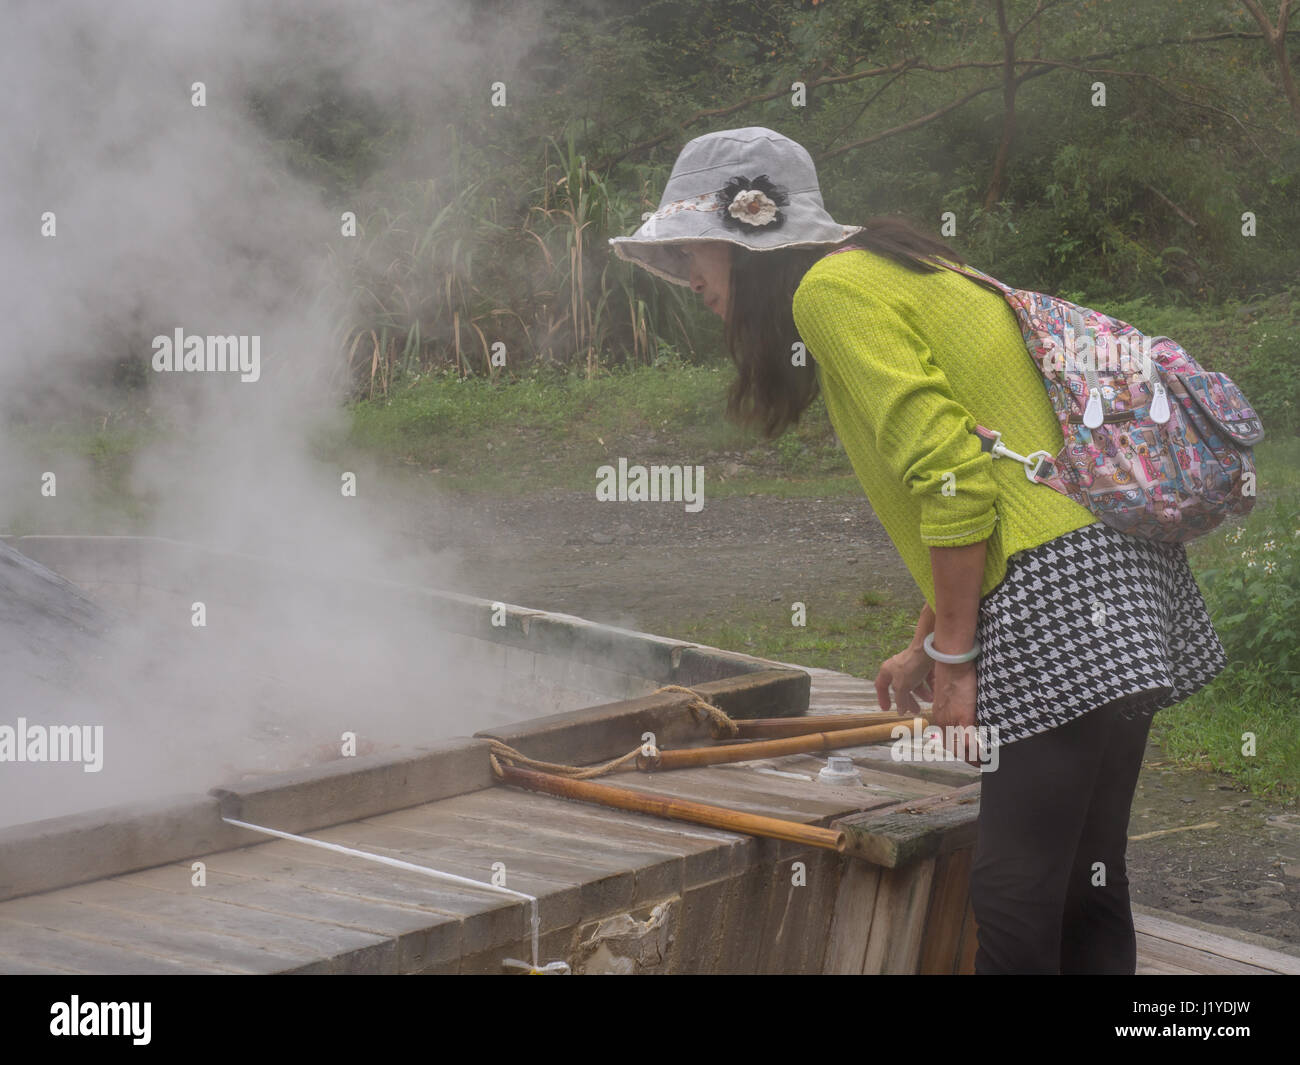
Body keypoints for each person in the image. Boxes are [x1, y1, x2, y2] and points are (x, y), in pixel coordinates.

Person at [609, 126, 1226, 975]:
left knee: (1012, 892)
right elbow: (994, 470)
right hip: (1113, 567)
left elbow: (954, 479)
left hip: (1056, 593)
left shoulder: (829, 293)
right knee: (1085, 873)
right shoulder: (900, 266)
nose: (691, 284)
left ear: (743, 243)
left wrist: (958, 661)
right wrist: (925, 638)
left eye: (690, 258)